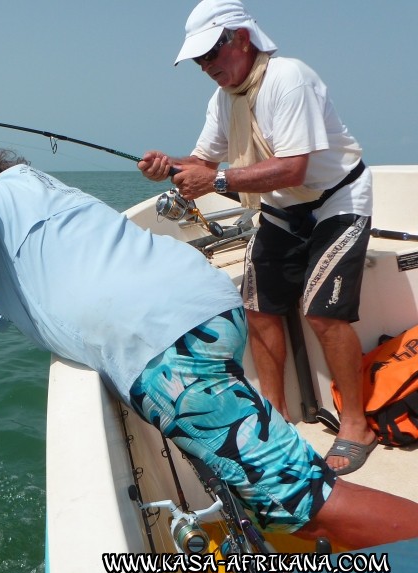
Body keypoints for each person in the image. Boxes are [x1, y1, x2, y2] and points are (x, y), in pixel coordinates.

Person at [0, 143, 418, 551]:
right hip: (202, 314)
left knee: (310, 503)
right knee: (273, 484)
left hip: (164, 351)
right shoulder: (37, 217)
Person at [137, 0, 374, 475]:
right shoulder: (223, 99)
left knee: (323, 314)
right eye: (199, 60)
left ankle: (356, 425)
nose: (206, 67)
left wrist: (218, 181)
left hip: (337, 202)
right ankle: (275, 415)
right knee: (258, 309)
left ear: (241, 39)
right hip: (280, 209)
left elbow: (293, 166)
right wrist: (168, 167)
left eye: (211, 54)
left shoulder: (289, 78)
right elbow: (204, 162)